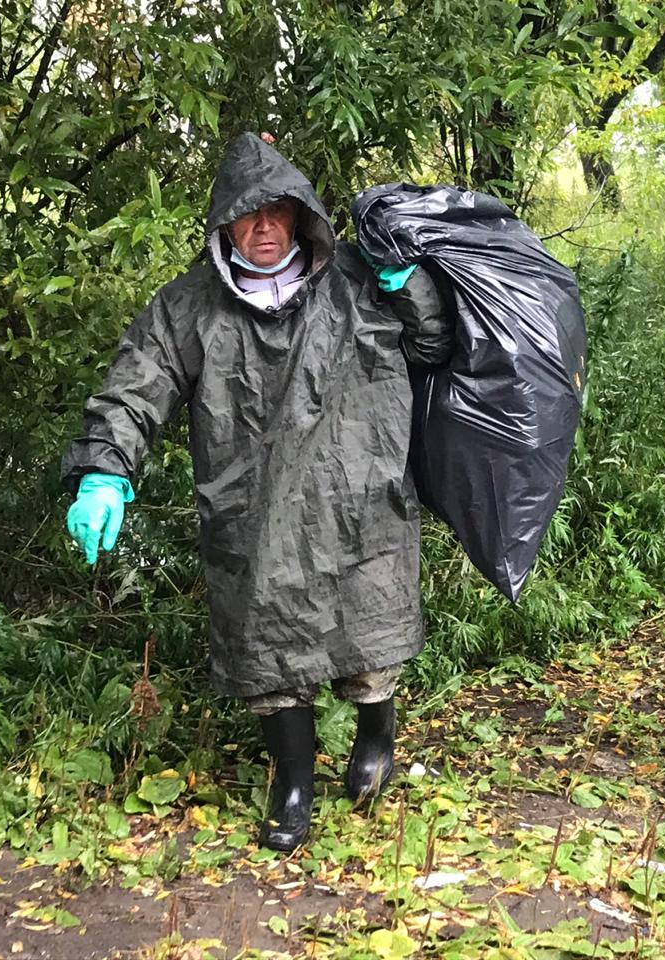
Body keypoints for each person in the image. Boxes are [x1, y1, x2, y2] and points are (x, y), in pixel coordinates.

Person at [60, 132, 451, 851]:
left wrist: (410, 287)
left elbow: (431, 348)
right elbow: (135, 386)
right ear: (224, 224)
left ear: (300, 217)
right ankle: (293, 781)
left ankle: (376, 735)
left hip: (356, 495)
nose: (264, 227)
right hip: (256, 508)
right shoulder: (189, 306)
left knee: (368, 634)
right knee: (269, 646)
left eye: (278, 211)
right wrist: (104, 470)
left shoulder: (355, 282)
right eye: (248, 215)